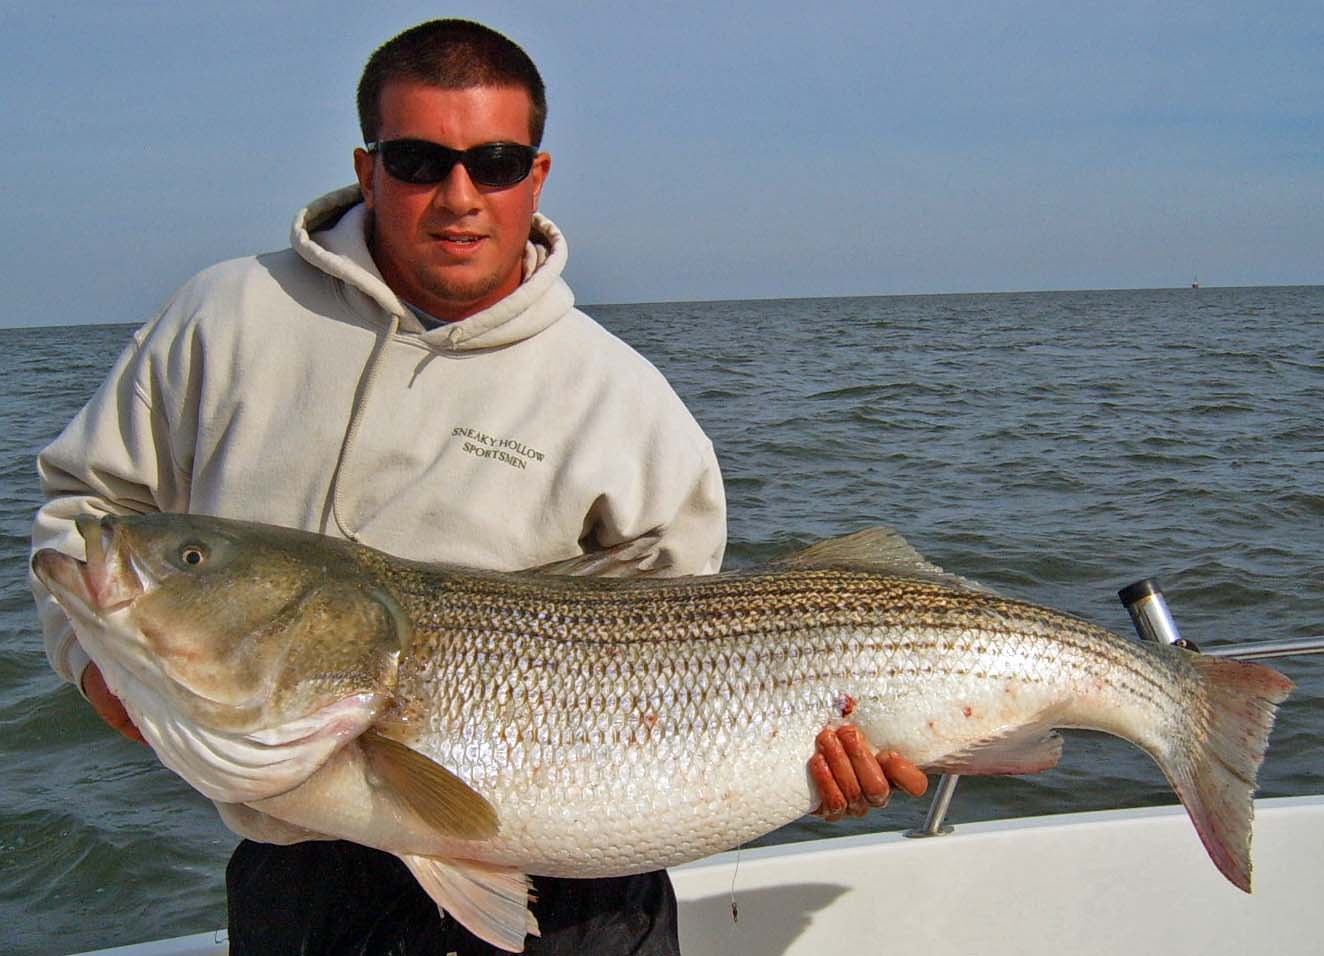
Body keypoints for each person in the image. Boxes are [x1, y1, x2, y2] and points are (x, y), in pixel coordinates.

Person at [31, 19, 924, 955]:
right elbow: (82, 513)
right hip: (305, 883)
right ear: (367, 167)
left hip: (588, 895)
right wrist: (96, 666)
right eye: (419, 160)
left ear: (534, 177)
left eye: (493, 162)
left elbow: (694, 655)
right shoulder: (225, 317)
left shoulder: (623, 398)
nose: (458, 197)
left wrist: (815, 767)